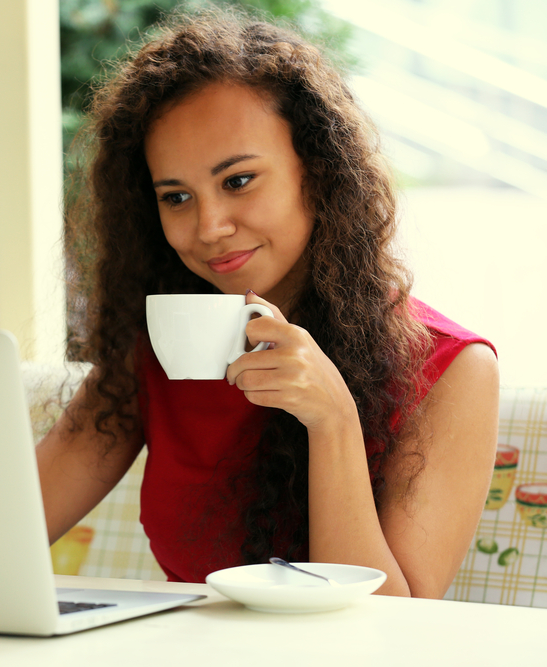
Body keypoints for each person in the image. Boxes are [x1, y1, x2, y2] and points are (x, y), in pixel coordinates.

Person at [36, 8, 499, 598]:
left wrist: (331, 420)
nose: (208, 227)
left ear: (319, 171)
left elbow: (392, 631)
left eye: (237, 181)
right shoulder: (161, 349)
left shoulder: (452, 369)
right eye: (176, 196)